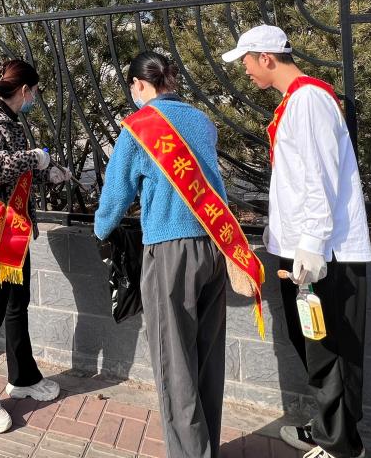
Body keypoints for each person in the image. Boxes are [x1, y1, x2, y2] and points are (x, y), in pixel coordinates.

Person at [95, 51, 265, 458]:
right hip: (214, 245)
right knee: (206, 357)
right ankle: (206, 447)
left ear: (139, 85)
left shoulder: (138, 128)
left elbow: (116, 195)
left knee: (175, 363)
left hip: (170, 249)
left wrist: (100, 230)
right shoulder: (201, 120)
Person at [223, 25, 371, 458]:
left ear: (266, 57)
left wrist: (311, 243)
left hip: (324, 252)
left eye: (246, 61)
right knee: (312, 339)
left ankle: (341, 446)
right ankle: (328, 429)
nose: (246, 70)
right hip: (303, 249)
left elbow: (319, 176)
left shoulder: (308, 100)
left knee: (329, 348)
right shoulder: (298, 100)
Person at [0, 59, 71, 434]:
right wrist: (32, 157)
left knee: (17, 305)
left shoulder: (10, 122)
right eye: (34, 92)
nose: (35, 98)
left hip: (13, 230)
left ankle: (23, 377)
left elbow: (15, 171)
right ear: (24, 90)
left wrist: (49, 171)